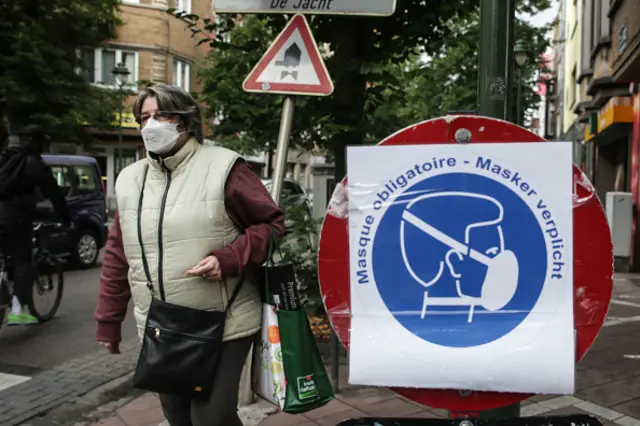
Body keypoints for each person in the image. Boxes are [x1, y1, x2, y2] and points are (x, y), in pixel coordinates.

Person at [95, 84, 285, 426]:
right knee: (177, 415)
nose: (152, 124)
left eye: (162, 115)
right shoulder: (129, 180)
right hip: (161, 324)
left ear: (185, 120)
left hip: (223, 319)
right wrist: (108, 322)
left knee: (211, 417)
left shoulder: (225, 167)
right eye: (145, 117)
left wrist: (229, 259)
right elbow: (118, 256)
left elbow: (271, 225)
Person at [0, 124, 72, 325]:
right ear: (38, 142)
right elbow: (55, 195)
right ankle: (17, 309)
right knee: (23, 260)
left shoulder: (5, 156)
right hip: (14, 219)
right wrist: (66, 220)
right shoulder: (34, 163)